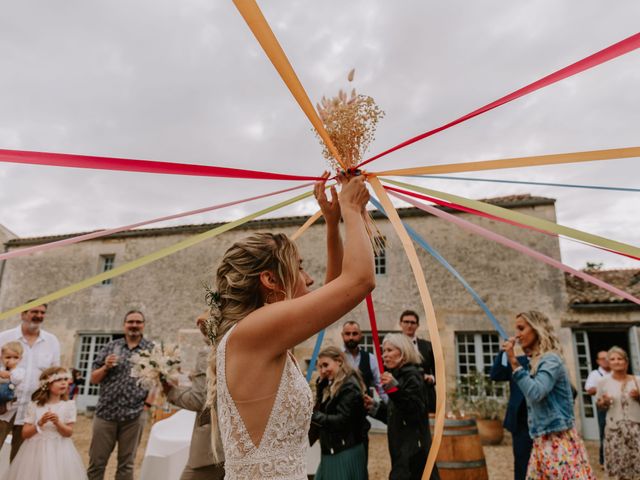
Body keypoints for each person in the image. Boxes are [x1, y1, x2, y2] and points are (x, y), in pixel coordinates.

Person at [204, 173, 374, 479]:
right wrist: (351, 207)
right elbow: (359, 281)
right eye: (298, 268)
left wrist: (333, 223)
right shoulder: (256, 329)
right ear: (269, 280)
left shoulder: (264, 335)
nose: (308, 278)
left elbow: (334, 289)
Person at [502, 311, 594, 480]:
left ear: (536, 329)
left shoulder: (550, 360)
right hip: (542, 439)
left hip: (558, 439)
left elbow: (536, 393)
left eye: (521, 328)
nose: (517, 335)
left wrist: (513, 361)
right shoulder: (536, 361)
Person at [87, 310, 153, 480]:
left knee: (126, 465)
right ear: (124, 325)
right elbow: (94, 379)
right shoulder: (110, 347)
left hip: (134, 415)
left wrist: (147, 406)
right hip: (105, 414)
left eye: (138, 322)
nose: (134, 325)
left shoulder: (150, 349)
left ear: (143, 325)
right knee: (96, 463)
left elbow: (157, 381)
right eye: (130, 322)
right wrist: (106, 367)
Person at [366, 333, 439, 480]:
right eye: (384, 351)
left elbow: (414, 411)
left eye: (390, 350)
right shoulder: (399, 376)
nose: (384, 355)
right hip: (402, 448)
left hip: (414, 450)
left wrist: (394, 389)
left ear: (403, 352)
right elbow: (397, 415)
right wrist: (374, 407)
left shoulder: (412, 376)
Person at [162, 314, 224, 480]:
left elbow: (199, 400)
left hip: (212, 445)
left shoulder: (208, 354)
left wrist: (169, 391)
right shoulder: (236, 349)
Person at [0, 301, 60, 460]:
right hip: (3, 408)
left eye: (42, 312)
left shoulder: (51, 341)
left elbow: (55, 375)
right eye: (35, 312)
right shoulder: (4, 337)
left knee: (21, 461)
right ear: (23, 314)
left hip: (31, 411)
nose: (39, 316)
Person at [5, 367, 87, 479]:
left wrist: (58, 422)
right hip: (35, 451)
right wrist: (39, 423)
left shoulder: (69, 405)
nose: (64, 383)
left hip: (59, 450)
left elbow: (68, 433)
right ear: (47, 385)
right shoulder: (34, 405)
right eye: (58, 380)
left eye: (65, 379)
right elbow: (25, 434)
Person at [311, 346, 368, 480]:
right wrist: (320, 388)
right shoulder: (332, 384)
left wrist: (312, 415)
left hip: (344, 450)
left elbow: (342, 421)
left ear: (340, 362)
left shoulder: (349, 386)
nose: (323, 370)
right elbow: (324, 409)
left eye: (326, 365)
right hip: (333, 449)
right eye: (320, 367)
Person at [595, 346, 640, 480]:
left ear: (626, 362)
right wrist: (604, 402)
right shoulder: (603, 382)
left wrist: (639, 396)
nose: (617, 361)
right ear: (609, 363)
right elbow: (599, 405)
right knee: (618, 470)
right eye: (613, 359)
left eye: (620, 358)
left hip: (636, 429)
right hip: (614, 431)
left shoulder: (637, 381)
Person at [490, 348, 532, 480]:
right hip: (521, 420)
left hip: (541, 420)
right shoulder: (518, 362)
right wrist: (503, 352)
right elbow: (495, 375)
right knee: (521, 462)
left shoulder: (548, 361)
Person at [398, 310, 436, 413]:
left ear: (417, 325)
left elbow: (437, 372)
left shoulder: (428, 346)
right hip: (404, 396)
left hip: (426, 396)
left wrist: (431, 378)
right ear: (400, 324)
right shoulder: (394, 346)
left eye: (412, 322)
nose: (409, 325)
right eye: (406, 322)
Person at [341, 321, 386, 402]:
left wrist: (390, 407)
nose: (351, 337)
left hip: (364, 409)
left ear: (360, 335)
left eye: (355, 334)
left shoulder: (370, 358)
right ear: (342, 335)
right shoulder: (336, 357)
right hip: (340, 410)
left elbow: (380, 386)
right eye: (347, 334)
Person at [584, 350, 610, 466]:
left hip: (617, 407)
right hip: (603, 407)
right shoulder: (595, 374)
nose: (606, 360)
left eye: (607, 357)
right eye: (602, 358)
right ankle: (603, 461)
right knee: (604, 433)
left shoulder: (615, 372)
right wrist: (603, 388)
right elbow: (589, 389)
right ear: (598, 361)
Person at [0, 342, 25, 430]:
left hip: (9, 398)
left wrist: (8, 374)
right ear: (1, 358)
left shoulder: (19, 371)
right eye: (8, 357)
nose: (12, 360)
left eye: (15, 357)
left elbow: (17, 379)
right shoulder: (1, 369)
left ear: (20, 359)